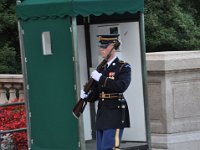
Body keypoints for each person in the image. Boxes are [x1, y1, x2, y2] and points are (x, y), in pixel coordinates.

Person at [80, 34, 131, 150]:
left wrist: (101, 79)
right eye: (100, 46)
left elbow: (121, 86)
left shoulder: (123, 67)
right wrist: (87, 95)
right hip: (102, 113)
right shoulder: (102, 69)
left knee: (110, 148)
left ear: (113, 47)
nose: (101, 49)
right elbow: (98, 92)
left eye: (104, 47)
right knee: (101, 148)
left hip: (115, 113)